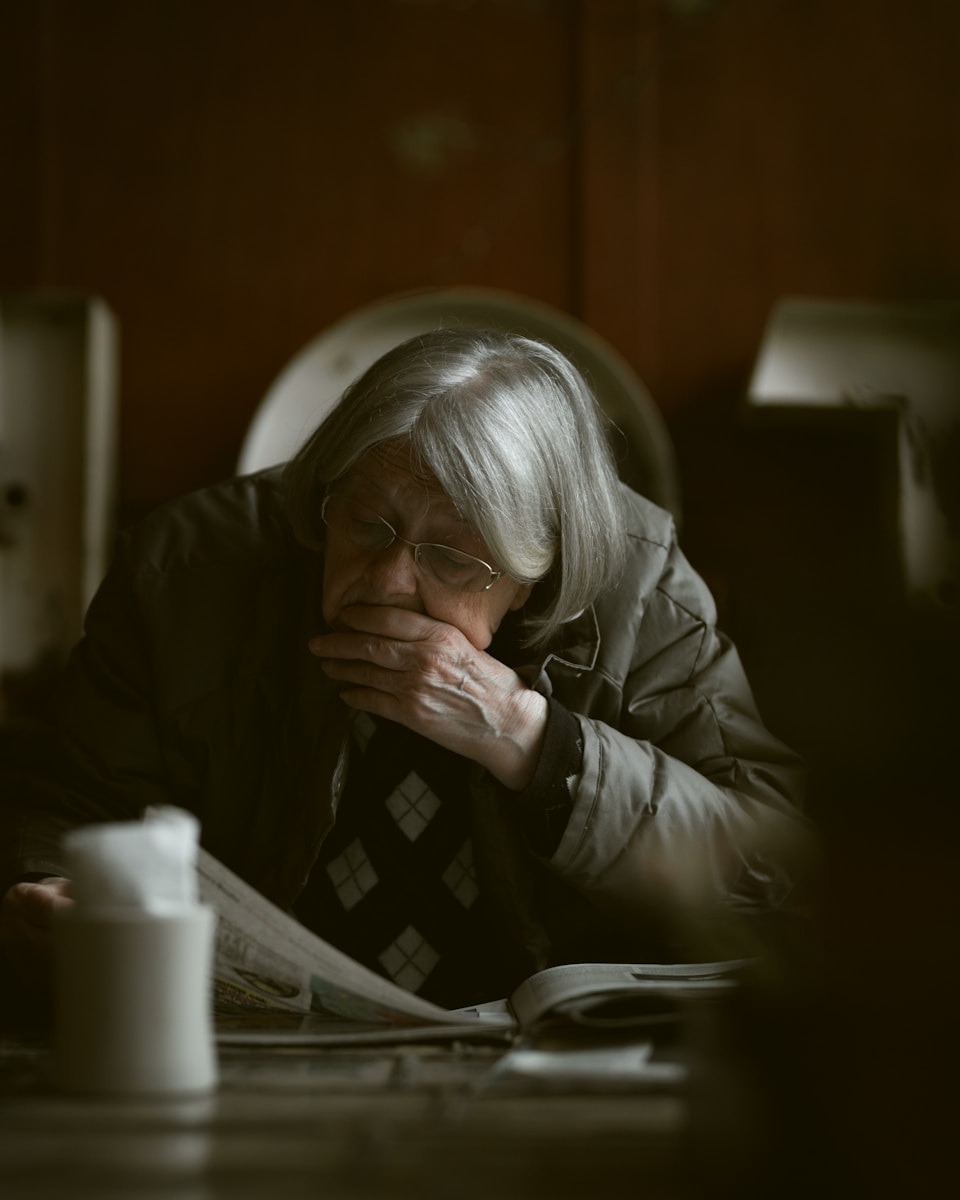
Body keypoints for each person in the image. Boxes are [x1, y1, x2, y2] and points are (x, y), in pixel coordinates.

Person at [0, 328, 811, 1007]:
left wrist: (530, 738)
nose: (389, 582)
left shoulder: (639, 590)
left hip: (539, 1070)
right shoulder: (186, 567)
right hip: (257, 1052)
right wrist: (49, 889)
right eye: (368, 524)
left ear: (536, 573)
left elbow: (771, 872)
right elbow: (74, 801)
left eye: (452, 557)